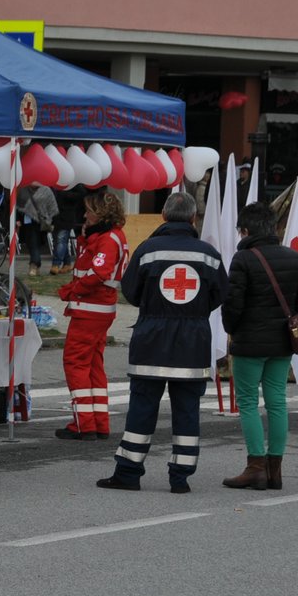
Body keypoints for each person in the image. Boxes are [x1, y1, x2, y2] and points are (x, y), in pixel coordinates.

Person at [97, 191, 229, 493]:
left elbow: (130, 290)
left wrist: (155, 306)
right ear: (193, 218)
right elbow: (221, 293)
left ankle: (128, 473)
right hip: (193, 341)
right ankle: (180, 477)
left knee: (142, 407)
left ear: (164, 217)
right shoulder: (208, 254)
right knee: (187, 409)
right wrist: (193, 312)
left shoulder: (148, 250)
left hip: (151, 338)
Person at [221, 200, 298, 491]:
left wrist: (231, 329)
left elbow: (233, 305)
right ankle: (275, 470)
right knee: (276, 402)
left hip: (249, 342)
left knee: (248, 402)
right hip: (282, 343)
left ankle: (255, 467)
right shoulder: (293, 258)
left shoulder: (243, 259)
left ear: (246, 230)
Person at [56, 190, 129, 440]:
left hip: (90, 310)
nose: (85, 215)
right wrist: (85, 239)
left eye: (89, 211)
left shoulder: (108, 239)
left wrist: (71, 290)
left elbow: (98, 273)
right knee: (93, 365)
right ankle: (98, 422)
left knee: (75, 363)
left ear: (101, 213)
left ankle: (83, 424)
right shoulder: (108, 236)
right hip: (98, 311)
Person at [20, 181, 57, 274]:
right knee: (33, 243)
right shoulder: (24, 190)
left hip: (41, 222)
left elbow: (52, 206)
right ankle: (35, 264)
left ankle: (35, 265)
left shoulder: (46, 190)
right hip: (29, 221)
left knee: (36, 243)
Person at [50, 187, 86, 274]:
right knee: (58, 241)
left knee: (61, 240)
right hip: (55, 217)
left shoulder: (73, 184)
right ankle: (67, 264)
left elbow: (81, 194)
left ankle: (56, 264)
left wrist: (65, 194)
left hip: (66, 217)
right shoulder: (54, 185)